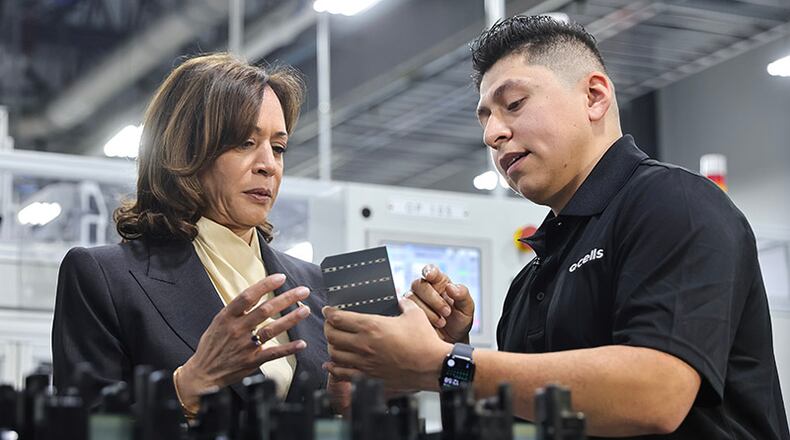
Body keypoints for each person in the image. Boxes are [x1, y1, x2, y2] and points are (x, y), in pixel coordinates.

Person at [323, 15, 789, 439]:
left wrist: (445, 363)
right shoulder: (532, 278)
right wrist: (446, 351)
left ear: (594, 96)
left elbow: (656, 395)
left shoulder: (674, 204)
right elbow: (521, 423)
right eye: (485, 119)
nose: (492, 134)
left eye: (514, 104)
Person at [53, 53, 347, 417]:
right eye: (244, 142)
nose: (268, 165)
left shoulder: (315, 284)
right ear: (186, 149)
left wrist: (344, 407)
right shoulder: (103, 277)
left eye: (278, 147)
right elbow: (76, 426)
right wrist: (187, 386)